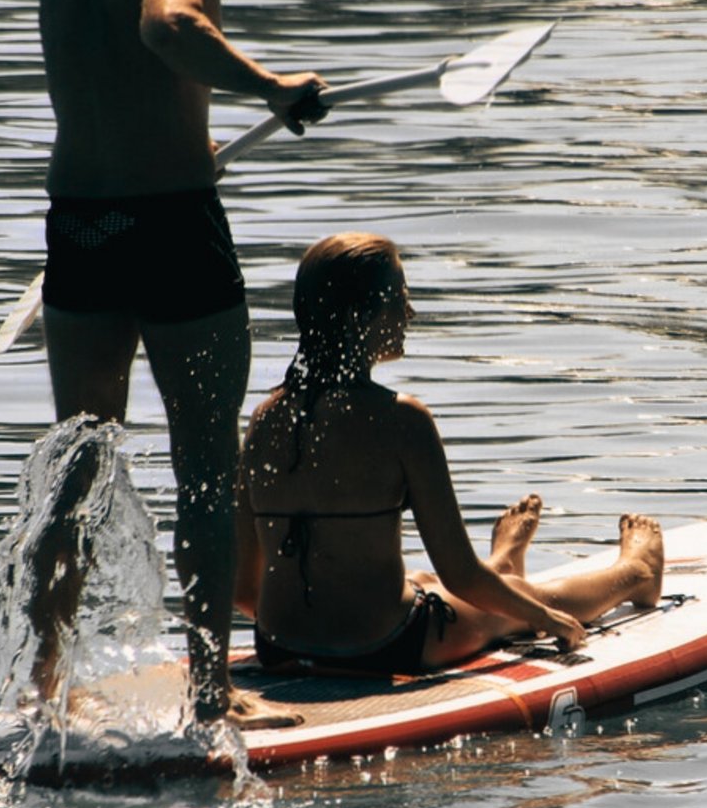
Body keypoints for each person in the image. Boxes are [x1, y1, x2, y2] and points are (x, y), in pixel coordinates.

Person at [36, 0, 326, 726]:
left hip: (79, 229)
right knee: (206, 464)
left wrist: (186, 134)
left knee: (77, 467)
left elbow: (107, 94)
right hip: (168, 229)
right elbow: (168, 24)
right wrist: (274, 87)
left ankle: (42, 690)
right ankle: (212, 692)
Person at [234, 233, 664, 674]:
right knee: (519, 600)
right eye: (400, 298)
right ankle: (637, 573)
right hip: (386, 645)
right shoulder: (402, 420)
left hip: (278, 646)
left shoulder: (265, 418)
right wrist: (546, 620)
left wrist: (313, 624)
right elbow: (460, 574)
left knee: (422, 581)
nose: (410, 312)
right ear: (360, 316)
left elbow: (243, 589)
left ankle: (501, 563)